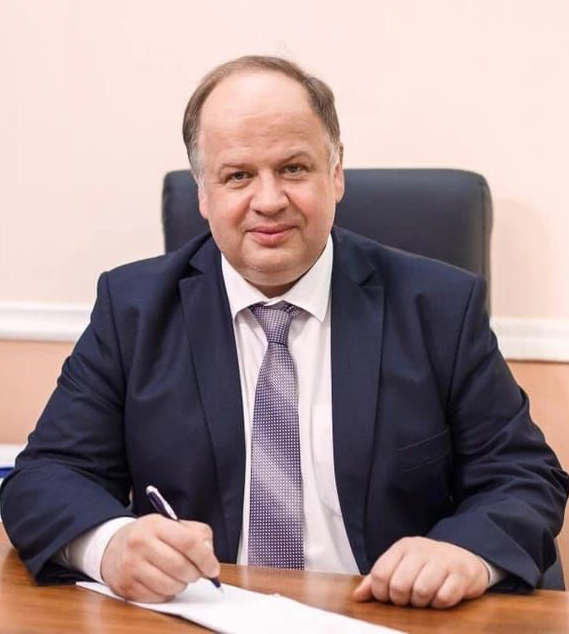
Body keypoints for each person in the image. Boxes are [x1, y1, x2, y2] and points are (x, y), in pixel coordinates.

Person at [1, 56, 567, 610]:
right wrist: (111, 545)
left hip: (385, 615)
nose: (269, 201)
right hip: (206, 614)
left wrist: (464, 552)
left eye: (294, 168)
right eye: (238, 176)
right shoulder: (134, 310)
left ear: (335, 174)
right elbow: (45, 478)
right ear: (203, 194)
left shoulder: (439, 306)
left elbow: (522, 476)